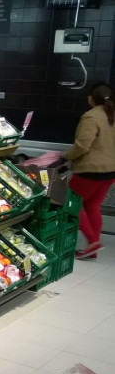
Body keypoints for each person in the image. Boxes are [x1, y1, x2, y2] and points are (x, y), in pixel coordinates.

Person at [62, 83, 115, 259]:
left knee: (71, 204)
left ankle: (93, 242)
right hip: (110, 171)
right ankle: (93, 247)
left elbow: (83, 145)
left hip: (90, 170)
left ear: (91, 98)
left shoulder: (91, 117)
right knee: (92, 206)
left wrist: (66, 156)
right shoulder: (111, 115)